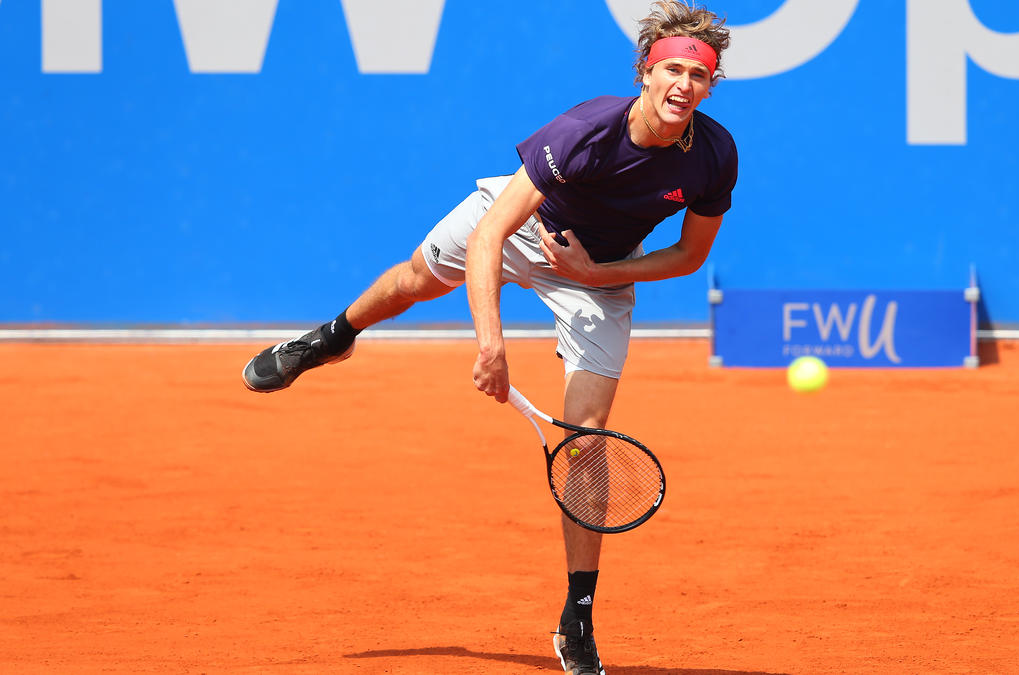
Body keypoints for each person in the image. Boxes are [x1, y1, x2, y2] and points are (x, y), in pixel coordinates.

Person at [241, 2, 734, 672]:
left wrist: (600, 270)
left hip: (596, 273)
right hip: (523, 230)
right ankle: (335, 334)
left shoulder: (712, 154)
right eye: (671, 68)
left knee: (586, 440)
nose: (684, 84)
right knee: (418, 277)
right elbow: (490, 234)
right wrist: (491, 344)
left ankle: (577, 618)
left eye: (698, 76)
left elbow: (687, 256)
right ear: (646, 72)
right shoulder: (585, 129)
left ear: (709, 86)